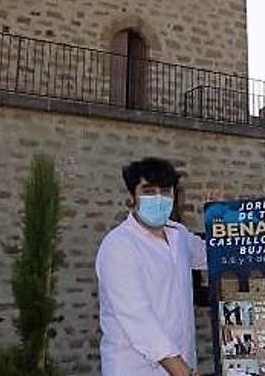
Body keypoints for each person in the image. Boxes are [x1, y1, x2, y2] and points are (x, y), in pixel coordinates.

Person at [96, 157, 207, 376]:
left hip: (182, 362)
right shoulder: (119, 246)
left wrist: (220, 218)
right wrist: (183, 372)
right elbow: (138, 319)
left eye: (165, 191)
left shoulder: (179, 235)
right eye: (148, 191)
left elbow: (215, 256)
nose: (158, 198)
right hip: (136, 368)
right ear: (132, 197)